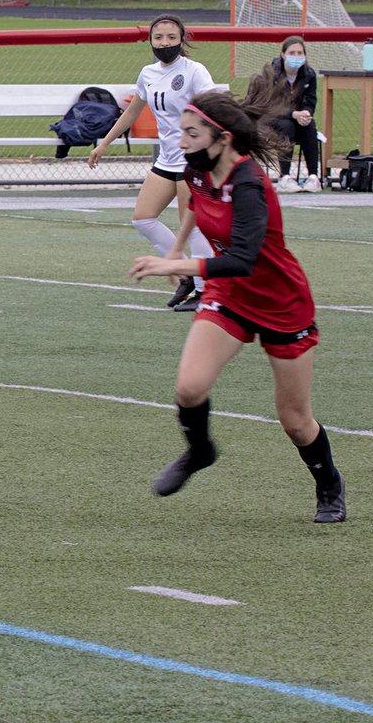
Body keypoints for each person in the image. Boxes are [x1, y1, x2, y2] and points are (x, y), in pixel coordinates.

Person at [127, 89, 345, 524]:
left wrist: (176, 263)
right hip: (230, 296)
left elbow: (241, 260)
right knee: (189, 387)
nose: (181, 141)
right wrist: (175, 248)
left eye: (191, 133)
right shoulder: (195, 168)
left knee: (295, 420)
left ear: (221, 138)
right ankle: (201, 450)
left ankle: (329, 485)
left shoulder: (250, 184)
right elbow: (196, 207)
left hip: (280, 302)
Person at [88, 15, 217, 312]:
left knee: (192, 225)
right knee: (143, 218)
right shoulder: (148, 73)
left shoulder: (194, 71)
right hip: (167, 159)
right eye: (158, 37)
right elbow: (133, 111)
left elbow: (214, 107)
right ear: (150, 40)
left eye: (171, 37)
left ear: (182, 39)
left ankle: (203, 291)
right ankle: (184, 273)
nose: (164, 43)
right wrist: (104, 143)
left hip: (191, 160)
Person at [255, 35, 321, 193]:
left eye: (300, 53)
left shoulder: (309, 75)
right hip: (271, 120)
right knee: (287, 126)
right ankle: (284, 177)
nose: (296, 57)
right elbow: (270, 104)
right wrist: (293, 114)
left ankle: (314, 177)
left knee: (309, 125)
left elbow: (310, 100)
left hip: (297, 118)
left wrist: (306, 112)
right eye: (292, 53)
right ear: (283, 54)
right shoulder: (271, 73)